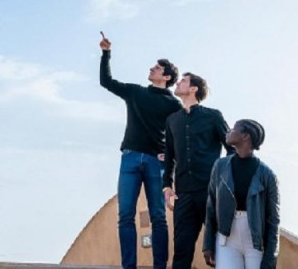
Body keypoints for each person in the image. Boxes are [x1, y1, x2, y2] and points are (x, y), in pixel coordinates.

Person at [99, 32, 182, 269]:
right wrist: (106, 53)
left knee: (158, 216)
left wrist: (170, 160)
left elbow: (178, 136)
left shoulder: (173, 105)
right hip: (130, 159)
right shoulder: (136, 92)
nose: (151, 69)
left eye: (156, 68)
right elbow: (107, 82)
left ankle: (159, 267)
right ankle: (129, 267)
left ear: (165, 77)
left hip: (157, 163)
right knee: (125, 215)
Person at [162, 73, 232, 269]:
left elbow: (232, 148)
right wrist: (167, 186)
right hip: (183, 194)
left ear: (194, 89)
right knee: (181, 251)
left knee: (219, 250)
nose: (178, 83)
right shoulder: (172, 120)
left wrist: (225, 182)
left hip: (211, 193)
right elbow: (169, 156)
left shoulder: (213, 116)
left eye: (183, 81)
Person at [204, 119, 279, 269]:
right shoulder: (220, 166)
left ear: (246, 136)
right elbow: (211, 206)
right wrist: (208, 244)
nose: (229, 131)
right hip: (226, 237)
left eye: (233, 129)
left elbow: (273, 219)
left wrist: (270, 257)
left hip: (256, 240)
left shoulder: (267, 175)